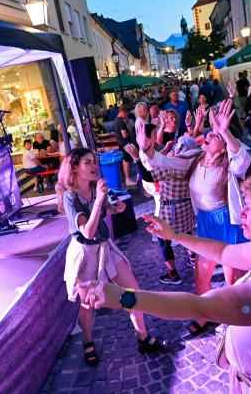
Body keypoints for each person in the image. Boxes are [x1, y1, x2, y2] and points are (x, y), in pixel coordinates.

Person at [81, 173, 251, 393]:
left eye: (250, 208)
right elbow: (224, 253)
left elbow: (197, 306)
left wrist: (122, 297)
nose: (242, 213)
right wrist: (175, 235)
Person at [138, 100, 251, 335]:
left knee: (233, 281)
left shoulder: (230, 162)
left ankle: (236, 321)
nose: (208, 136)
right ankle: (205, 315)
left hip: (228, 224)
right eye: (210, 133)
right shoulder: (195, 157)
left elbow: (242, 160)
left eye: (214, 136)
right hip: (205, 222)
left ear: (224, 145)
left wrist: (225, 132)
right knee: (201, 277)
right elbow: (164, 161)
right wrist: (145, 148)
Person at [56, 149, 168, 366]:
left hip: (105, 247)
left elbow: (107, 208)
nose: (93, 166)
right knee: (87, 304)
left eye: (94, 162)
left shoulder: (93, 186)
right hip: (85, 254)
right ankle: (88, 342)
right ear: (75, 167)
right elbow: (87, 232)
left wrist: (115, 207)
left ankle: (142, 336)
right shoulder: (70, 196)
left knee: (132, 291)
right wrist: (99, 201)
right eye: (87, 162)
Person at [124, 137, 199, 285]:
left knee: (163, 240)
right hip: (186, 207)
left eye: (177, 147)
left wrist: (136, 159)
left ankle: (173, 275)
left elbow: (147, 177)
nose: (174, 149)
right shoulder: (192, 163)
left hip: (170, 210)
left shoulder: (171, 167)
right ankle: (194, 260)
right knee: (187, 233)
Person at [113, 106, 137, 186]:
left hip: (121, 144)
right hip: (126, 144)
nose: (127, 115)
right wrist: (130, 129)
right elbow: (124, 134)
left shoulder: (115, 120)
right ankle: (128, 179)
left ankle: (127, 179)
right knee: (127, 162)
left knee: (125, 161)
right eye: (127, 113)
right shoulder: (120, 121)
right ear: (123, 112)